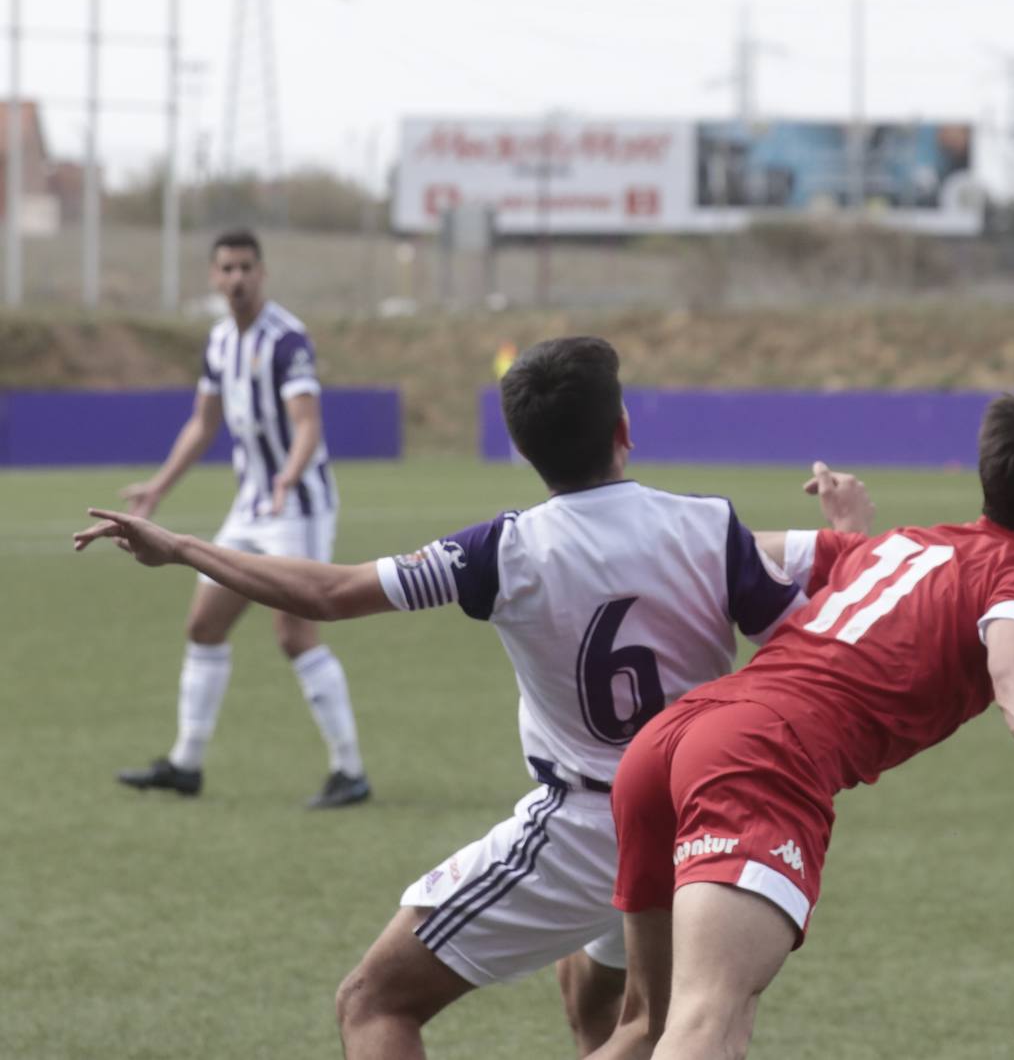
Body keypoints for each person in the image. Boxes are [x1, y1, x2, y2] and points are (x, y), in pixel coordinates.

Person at [74, 334, 874, 1058]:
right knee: (602, 1000)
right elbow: (810, 636)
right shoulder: (710, 527)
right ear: (624, 429)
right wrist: (849, 538)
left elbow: (330, 592)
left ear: (525, 450)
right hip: (704, 816)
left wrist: (184, 547)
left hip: (588, 828)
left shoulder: (503, 550)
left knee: (374, 1002)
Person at [588, 391, 1014, 1060]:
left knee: (651, 1027)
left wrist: (847, 533)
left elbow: (728, 552)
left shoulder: (900, 547)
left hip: (672, 741)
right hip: (759, 759)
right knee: (707, 1023)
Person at [114, 229, 371, 810]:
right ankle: (186, 764)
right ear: (213, 276)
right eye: (227, 268)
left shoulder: (287, 339)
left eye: (246, 267)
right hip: (250, 507)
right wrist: (158, 487)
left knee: (294, 634)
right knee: (204, 626)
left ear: (262, 273)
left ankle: (350, 771)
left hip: (296, 506)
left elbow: (307, 423)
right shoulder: (220, 340)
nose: (236, 278)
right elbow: (203, 424)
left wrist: (289, 475)